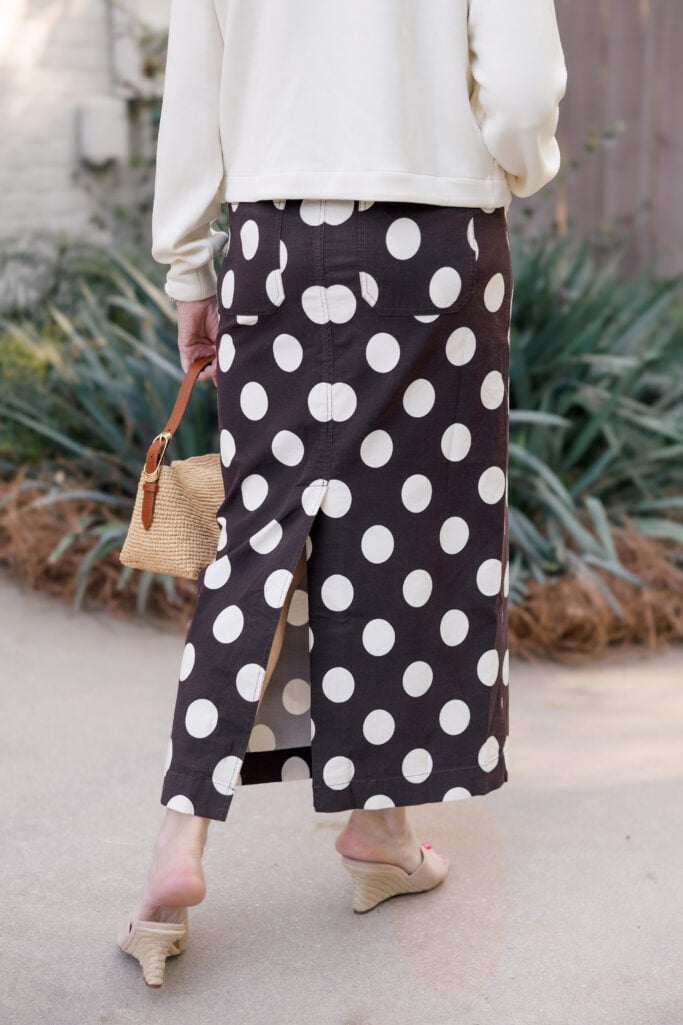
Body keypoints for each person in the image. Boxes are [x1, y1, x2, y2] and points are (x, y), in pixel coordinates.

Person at [117, 0, 566, 988]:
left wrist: (189, 264)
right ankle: (373, 821)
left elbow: (195, 81)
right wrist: (512, 164)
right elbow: (523, 86)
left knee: (262, 532)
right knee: (414, 539)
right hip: (437, 236)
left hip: (275, 239)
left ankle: (200, 841)